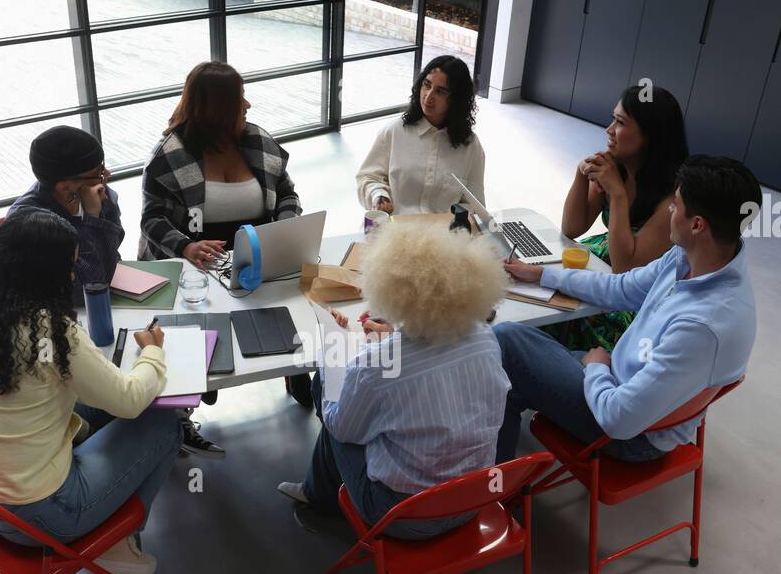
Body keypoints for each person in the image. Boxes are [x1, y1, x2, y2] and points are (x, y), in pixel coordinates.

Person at [0, 212, 182, 574]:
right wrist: (153, 353)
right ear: (45, 272)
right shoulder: (50, 331)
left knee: (90, 403)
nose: (72, 276)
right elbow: (129, 399)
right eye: (69, 266)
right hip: (43, 518)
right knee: (162, 421)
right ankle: (117, 542)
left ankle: (109, 522)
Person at [494, 156, 760, 467]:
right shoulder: (688, 257)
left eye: (675, 205)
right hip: (618, 382)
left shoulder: (704, 325)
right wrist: (542, 275)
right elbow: (620, 289)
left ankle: (488, 496)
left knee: (505, 339)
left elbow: (618, 420)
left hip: (631, 434)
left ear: (697, 224)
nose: (670, 211)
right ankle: (496, 483)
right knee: (503, 378)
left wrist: (596, 368)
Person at [278, 219, 509, 538]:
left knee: (333, 400)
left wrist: (338, 362)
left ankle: (322, 503)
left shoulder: (374, 366)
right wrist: (392, 339)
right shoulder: (486, 339)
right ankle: (316, 489)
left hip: (402, 517)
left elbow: (342, 429)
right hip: (473, 501)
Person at [138, 59, 311, 413]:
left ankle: (296, 368)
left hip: (262, 252)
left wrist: (285, 227)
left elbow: (288, 193)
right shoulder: (169, 157)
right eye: (240, 99)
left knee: (290, 311)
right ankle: (201, 378)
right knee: (208, 329)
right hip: (198, 263)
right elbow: (151, 220)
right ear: (217, 109)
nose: (247, 106)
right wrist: (186, 245)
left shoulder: (258, 141)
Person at [557, 84, 688, 351]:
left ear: (650, 135)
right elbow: (571, 228)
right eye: (613, 118)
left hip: (633, 294)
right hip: (602, 263)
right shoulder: (614, 166)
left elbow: (625, 270)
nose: (609, 130)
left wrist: (617, 195)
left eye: (620, 122)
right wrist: (581, 175)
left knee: (559, 315)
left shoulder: (673, 198)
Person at [6, 125, 124, 308]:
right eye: (98, 173)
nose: (106, 175)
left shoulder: (96, 191)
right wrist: (93, 217)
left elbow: (113, 254)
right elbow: (84, 288)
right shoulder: (31, 224)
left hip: (109, 301)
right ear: (64, 187)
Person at [356, 55, 485, 217]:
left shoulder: (471, 147)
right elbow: (367, 177)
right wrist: (378, 195)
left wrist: (454, 221)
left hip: (442, 235)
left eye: (440, 91)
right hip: (394, 231)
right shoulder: (394, 131)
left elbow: (475, 205)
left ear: (457, 99)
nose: (428, 96)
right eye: (427, 85)